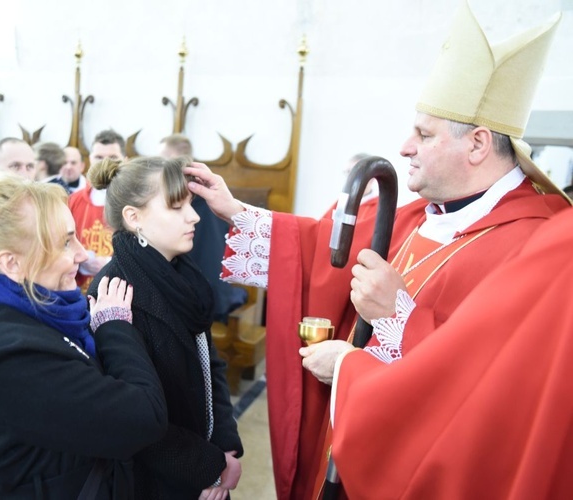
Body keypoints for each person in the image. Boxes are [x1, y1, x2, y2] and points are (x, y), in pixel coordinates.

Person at [185, 4, 569, 499]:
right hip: (350, 442)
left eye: (424, 134)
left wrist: (392, 321)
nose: (405, 146)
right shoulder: (416, 214)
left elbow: (493, 393)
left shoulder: (540, 250)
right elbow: (315, 249)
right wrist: (234, 210)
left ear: (477, 144)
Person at [0, 172, 168, 498]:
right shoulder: (16, 360)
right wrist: (115, 326)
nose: (81, 254)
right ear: (11, 263)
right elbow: (144, 418)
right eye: (66, 242)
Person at [302, 205, 573, 499]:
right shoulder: (418, 213)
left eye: (418, 151)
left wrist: (347, 366)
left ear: (477, 154)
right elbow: (319, 248)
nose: (405, 154)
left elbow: (478, 393)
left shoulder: (535, 238)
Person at [88, 156, 243, 500]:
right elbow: (131, 414)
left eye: (190, 203)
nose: (195, 216)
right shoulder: (114, 291)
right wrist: (207, 467)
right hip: (155, 480)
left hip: (204, 462)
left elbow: (208, 364)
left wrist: (225, 446)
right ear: (134, 217)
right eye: (176, 207)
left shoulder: (181, 276)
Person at [159, 134, 247, 323]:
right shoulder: (206, 195)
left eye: (163, 159)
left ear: (178, 161)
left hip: (199, 295)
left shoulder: (197, 202)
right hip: (206, 291)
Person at [68, 129, 126, 292]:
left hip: (119, 290)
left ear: (125, 160)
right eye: (99, 157)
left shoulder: (134, 202)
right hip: (79, 288)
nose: (105, 163)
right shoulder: (73, 200)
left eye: (113, 158)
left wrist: (109, 263)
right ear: (90, 160)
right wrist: (81, 261)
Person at [321, 152, 379, 221]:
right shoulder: (341, 203)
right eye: (348, 172)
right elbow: (323, 226)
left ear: (372, 177)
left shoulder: (380, 208)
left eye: (355, 173)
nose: (349, 178)